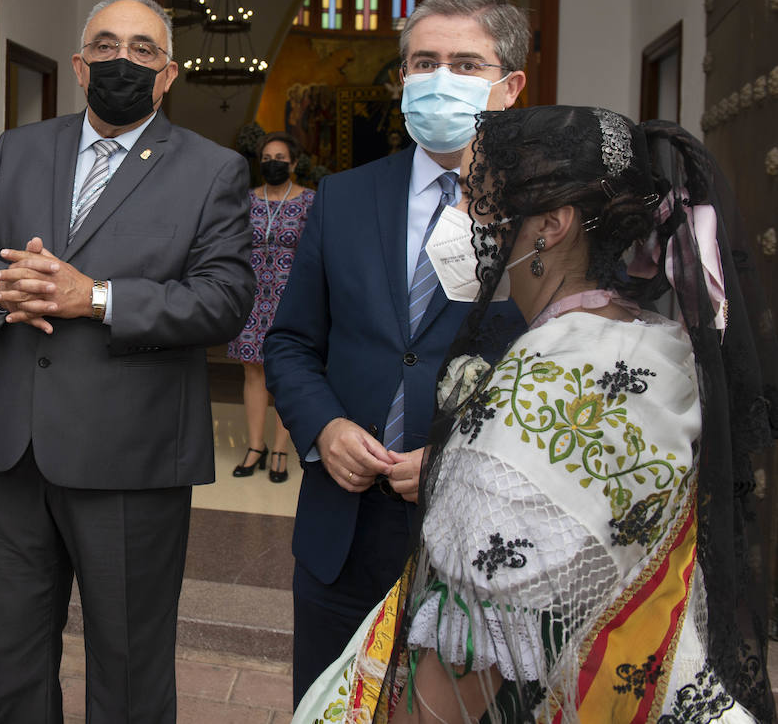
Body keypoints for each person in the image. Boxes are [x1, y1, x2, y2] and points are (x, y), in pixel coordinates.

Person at [291, 106, 777, 723]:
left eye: (492, 214)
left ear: (551, 225)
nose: (478, 229)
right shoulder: (660, 345)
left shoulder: (539, 389)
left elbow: (453, 686)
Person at [0, 0, 254, 722]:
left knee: (129, 666)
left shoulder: (211, 169)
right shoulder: (23, 148)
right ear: (80, 67)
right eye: (107, 46)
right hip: (13, 445)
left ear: (169, 74)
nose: (124, 60)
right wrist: (1, 284)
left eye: (143, 49)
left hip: (131, 454)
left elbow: (225, 297)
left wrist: (100, 297)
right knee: (17, 657)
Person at [265, 0, 528, 703]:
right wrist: (324, 425)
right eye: (423, 62)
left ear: (510, 87)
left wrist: (456, 457)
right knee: (330, 707)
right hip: (341, 529)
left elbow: (551, 375)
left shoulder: (539, 216)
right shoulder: (343, 197)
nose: (440, 78)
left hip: (474, 539)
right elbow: (289, 341)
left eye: (465, 64)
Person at [227, 131, 314, 482]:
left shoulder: (311, 201)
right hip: (252, 297)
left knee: (286, 372)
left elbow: (318, 254)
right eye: (266, 157)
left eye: (280, 158)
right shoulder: (245, 200)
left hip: (291, 299)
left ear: (294, 163)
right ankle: (255, 446)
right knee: (252, 371)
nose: (272, 164)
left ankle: (280, 448)